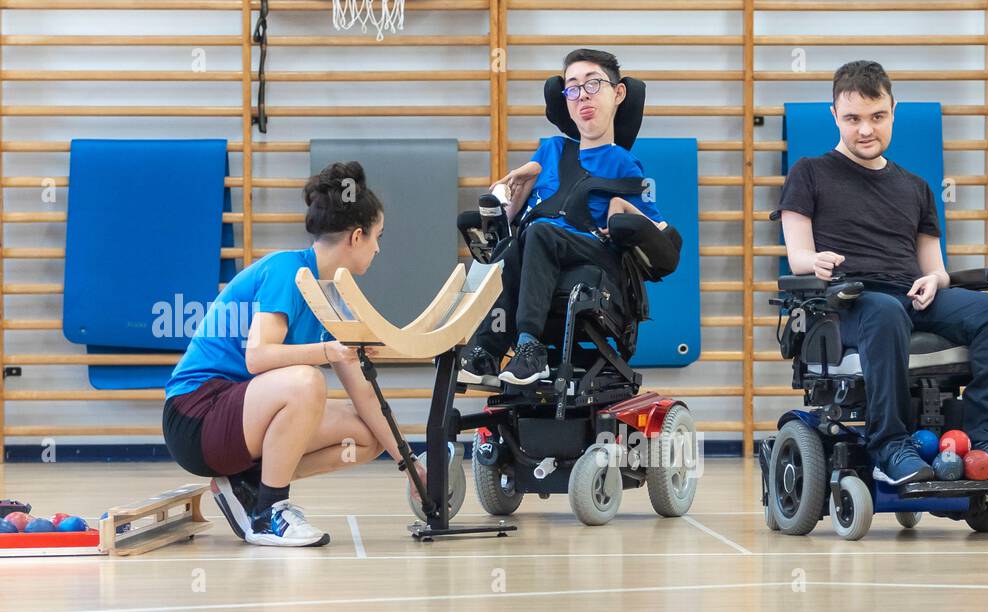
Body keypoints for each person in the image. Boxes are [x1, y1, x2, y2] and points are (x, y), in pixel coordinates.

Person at [774, 60, 988, 485]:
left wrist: (936, 280)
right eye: (853, 119)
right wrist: (814, 262)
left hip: (910, 296)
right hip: (847, 302)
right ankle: (889, 444)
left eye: (877, 117)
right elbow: (798, 256)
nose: (866, 130)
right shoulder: (809, 172)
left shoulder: (915, 187)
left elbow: (935, 268)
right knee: (884, 311)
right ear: (834, 115)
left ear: (893, 111)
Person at [162, 161, 414, 546]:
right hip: (196, 416)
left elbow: (364, 394)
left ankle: (249, 485)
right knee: (305, 381)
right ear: (357, 236)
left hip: (237, 419)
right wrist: (329, 350)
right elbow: (258, 357)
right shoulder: (287, 271)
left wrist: (411, 466)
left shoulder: (330, 297)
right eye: (378, 237)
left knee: (366, 437)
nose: (378, 248)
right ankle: (269, 513)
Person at [461, 47, 667, 386]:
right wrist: (509, 202)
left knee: (540, 233)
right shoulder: (552, 150)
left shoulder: (623, 164)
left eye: (593, 84)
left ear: (618, 93)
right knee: (513, 245)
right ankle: (487, 350)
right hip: (536, 242)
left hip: (593, 250)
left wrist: (626, 211)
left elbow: (657, 228)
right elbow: (517, 210)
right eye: (572, 88)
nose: (582, 95)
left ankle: (530, 348)